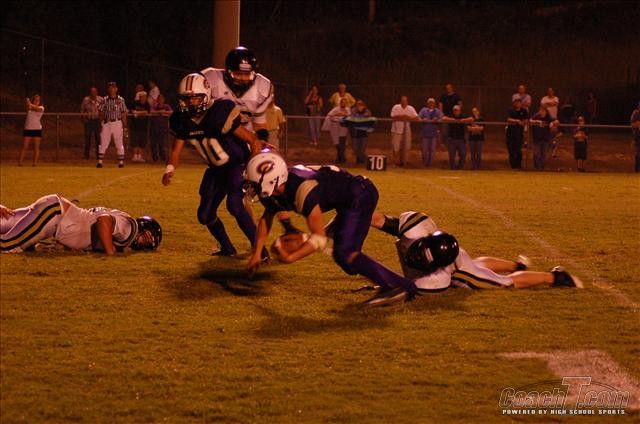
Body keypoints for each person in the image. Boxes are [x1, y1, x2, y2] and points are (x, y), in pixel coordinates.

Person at [245, 151, 419, 307]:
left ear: (272, 180)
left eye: (255, 183)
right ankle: (412, 234)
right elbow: (266, 219)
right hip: (346, 199)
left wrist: (291, 257)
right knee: (347, 258)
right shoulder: (277, 190)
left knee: (345, 252)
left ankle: (398, 286)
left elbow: (319, 238)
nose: (252, 187)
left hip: (359, 194)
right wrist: (257, 252)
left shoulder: (302, 189)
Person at [163, 72, 268, 259]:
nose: (190, 103)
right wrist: (169, 169)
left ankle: (261, 252)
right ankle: (227, 249)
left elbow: (253, 140)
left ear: (205, 95)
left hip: (236, 166)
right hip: (216, 170)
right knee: (204, 215)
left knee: (234, 205)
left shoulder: (220, 112)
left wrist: (250, 169)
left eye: (194, 98)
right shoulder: (182, 120)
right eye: (186, 99)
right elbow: (176, 151)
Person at [366, 211, 582, 299]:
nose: (415, 260)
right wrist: (355, 212)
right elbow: (379, 219)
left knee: (504, 282)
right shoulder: (413, 230)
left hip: (458, 267)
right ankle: (517, 266)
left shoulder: (437, 278)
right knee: (477, 264)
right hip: (457, 256)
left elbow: (405, 291)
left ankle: (555, 277)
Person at [201, 46, 299, 235]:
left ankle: (287, 225)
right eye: (238, 74)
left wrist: (260, 144)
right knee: (237, 199)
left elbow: (260, 123)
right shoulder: (211, 80)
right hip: (223, 144)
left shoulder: (262, 87)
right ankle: (255, 235)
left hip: (247, 141)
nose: (243, 79)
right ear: (228, 71)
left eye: (247, 74)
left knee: (270, 178)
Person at [1, 194, 161, 255]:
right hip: (53, 215)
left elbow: (87, 226)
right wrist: (110, 252)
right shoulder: (130, 229)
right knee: (7, 246)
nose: (145, 243)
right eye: (147, 238)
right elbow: (104, 220)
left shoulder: (123, 219)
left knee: (3, 220)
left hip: (53, 210)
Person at [97, 81, 128, 168]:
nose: (111, 89)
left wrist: (125, 126)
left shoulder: (120, 100)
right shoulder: (105, 100)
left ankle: (121, 162)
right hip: (107, 123)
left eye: (113, 88)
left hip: (117, 122)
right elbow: (100, 111)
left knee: (119, 142)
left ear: (116, 89)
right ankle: (100, 161)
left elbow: (124, 113)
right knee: (104, 141)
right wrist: (103, 119)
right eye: (110, 88)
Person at [442, 105, 472, 170]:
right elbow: (443, 118)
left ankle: (460, 168)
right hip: (452, 139)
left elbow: (471, 119)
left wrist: (463, 120)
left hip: (461, 140)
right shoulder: (451, 116)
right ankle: (453, 169)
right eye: (454, 110)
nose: (456, 112)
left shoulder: (462, 116)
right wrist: (453, 120)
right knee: (452, 156)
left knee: (463, 155)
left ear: (460, 111)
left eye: (457, 110)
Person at [390, 95, 418, 167]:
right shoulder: (396, 107)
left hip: (406, 130)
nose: (404, 102)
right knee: (396, 147)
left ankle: (404, 162)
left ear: (407, 101)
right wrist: (401, 116)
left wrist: (408, 118)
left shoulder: (410, 108)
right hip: (396, 130)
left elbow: (416, 117)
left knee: (407, 146)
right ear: (400, 101)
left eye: (405, 100)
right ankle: (395, 162)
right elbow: (392, 116)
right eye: (402, 100)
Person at [529, 106, 559, 171]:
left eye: (543, 111)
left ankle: (542, 167)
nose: (542, 112)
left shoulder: (548, 117)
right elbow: (530, 120)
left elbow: (556, 121)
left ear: (546, 111)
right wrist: (537, 121)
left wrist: (553, 123)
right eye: (541, 110)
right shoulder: (536, 116)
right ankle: (537, 167)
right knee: (537, 154)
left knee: (544, 155)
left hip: (545, 139)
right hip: (537, 138)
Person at [345, 99, 373, 164]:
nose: (359, 106)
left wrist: (359, 117)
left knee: (362, 149)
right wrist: (360, 118)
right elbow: (353, 116)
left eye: (361, 104)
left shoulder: (367, 111)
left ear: (364, 105)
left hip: (364, 133)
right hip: (355, 133)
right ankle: (364, 159)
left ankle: (360, 161)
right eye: (358, 104)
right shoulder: (353, 110)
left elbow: (367, 116)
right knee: (355, 149)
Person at [19, 94, 44, 167]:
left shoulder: (41, 108)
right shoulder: (30, 107)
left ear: (40, 101)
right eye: (35, 100)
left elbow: (37, 109)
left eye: (38, 100)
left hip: (37, 129)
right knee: (25, 146)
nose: (36, 101)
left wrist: (29, 103)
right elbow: (28, 107)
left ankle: (34, 163)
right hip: (28, 129)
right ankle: (20, 162)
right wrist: (28, 103)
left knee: (36, 147)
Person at [418, 98, 443, 167]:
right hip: (425, 133)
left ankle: (430, 165)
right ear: (427, 103)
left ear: (434, 104)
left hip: (434, 133)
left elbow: (442, 118)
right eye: (430, 102)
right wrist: (423, 119)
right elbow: (418, 117)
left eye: (432, 103)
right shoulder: (423, 110)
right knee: (424, 150)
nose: (431, 104)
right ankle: (424, 164)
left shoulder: (437, 111)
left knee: (432, 150)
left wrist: (437, 119)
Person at [325, 97, 351, 163]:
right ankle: (341, 158)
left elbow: (350, 116)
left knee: (343, 143)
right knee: (337, 143)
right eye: (342, 102)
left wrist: (344, 114)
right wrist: (336, 114)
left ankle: (341, 158)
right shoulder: (336, 109)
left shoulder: (348, 109)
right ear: (340, 103)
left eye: (345, 103)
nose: (343, 104)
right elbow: (329, 115)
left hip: (343, 129)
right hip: (335, 128)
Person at [505, 98, 529, 169]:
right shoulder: (510, 110)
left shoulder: (524, 111)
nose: (517, 104)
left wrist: (522, 122)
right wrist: (517, 121)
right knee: (511, 149)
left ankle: (518, 165)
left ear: (521, 103)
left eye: (519, 102)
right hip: (510, 133)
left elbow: (526, 120)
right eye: (516, 102)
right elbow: (508, 119)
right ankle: (513, 165)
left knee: (518, 149)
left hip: (519, 133)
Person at [80, 87, 103, 160]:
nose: (93, 93)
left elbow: (104, 109)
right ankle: (86, 155)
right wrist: (83, 118)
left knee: (98, 138)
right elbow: (82, 109)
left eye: (94, 91)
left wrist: (102, 119)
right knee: (87, 138)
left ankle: (99, 155)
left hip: (97, 121)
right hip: (88, 120)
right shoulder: (86, 99)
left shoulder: (100, 99)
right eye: (92, 91)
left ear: (97, 92)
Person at [149, 94, 172, 162]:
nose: (160, 100)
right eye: (159, 99)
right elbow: (151, 111)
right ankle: (155, 158)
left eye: (162, 99)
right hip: (154, 127)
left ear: (164, 100)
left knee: (161, 143)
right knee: (153, 143)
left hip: (163, 127)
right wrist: (160, 112)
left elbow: (171, 111)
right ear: (157, 100)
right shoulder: (154, 106)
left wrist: (165, 112)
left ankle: (163, 157)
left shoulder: (166, 106)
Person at [130, 91, 150, 162]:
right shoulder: (135, 103)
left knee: (142, 142)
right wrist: (136, 112)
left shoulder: (147, 104)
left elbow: (147, 112)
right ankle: (135, 156)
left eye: (145, 96)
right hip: (135, 126)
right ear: (140, 97)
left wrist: (137, 112)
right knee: (135, 141)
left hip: (143, 126)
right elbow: (132, 110)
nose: (143, 98)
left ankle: (140, 156)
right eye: (142, 96)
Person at [630, 102, 640, 173]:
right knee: (638, 154)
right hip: (638, 137)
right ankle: (637, 171)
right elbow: (633, 124)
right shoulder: (636, 113)